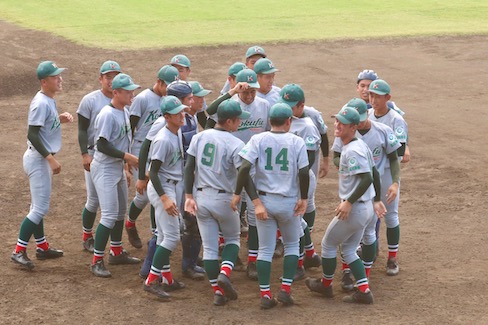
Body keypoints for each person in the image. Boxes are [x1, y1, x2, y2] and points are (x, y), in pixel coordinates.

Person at [305, 106, 386, 304]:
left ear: (353, 127)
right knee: (349, 250)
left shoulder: (353, 150)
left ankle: (326, 285)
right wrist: (375, 200)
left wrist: (348, 202)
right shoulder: (359, 145)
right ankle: (364, 291)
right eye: (336, 121)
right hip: (364, 208)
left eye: (342, 123)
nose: (337, 125)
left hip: (356, 208)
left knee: (328, 244)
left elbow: (367, 178)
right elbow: (374, 173)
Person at [232, 103, 309, 309]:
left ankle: (266, 295)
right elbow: (303, 172)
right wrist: (304, 198)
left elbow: (244, 168)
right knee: (292, 246)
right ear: (288, 121)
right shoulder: (297, 141)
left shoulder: (258, 139)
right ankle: (285, 290)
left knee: (264, 250)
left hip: (264, 202)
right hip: (289, 202)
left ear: (270, 121)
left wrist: (246, 197)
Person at [184, 99, 250, 306]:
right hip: (225, 199)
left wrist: (188, 196)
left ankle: (218, 292)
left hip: (201, 198)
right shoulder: (236, 144)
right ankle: (225, 272)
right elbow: (243, 173)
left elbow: (189, 168)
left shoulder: (200, 137)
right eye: (238, 120)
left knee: (210, 249)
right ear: (229, 121)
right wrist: (239, 194)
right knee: (232, 240)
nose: (240, 123)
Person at [331, 98, 401, 289]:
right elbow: (336, 157)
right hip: (353, 185)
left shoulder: (382, 131)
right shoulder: (343, 131)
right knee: (349, 234)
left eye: (361, 119)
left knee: (372, 231)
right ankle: (347, 272)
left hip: (375, 185)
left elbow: (392, 159)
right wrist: (347, 166)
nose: (359, 123)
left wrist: (394, 183)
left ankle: (368, 273)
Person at [10, 60, 73, 270]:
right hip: (38, 159)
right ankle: (19, 251)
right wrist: (50, 158)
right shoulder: (41, 102)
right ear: (44, 81)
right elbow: (32, 134)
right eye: (55, 77)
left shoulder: (48, 100)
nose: (60, 79)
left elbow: (43, 125)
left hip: (38, 158)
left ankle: (42, 247)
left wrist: (58, 119)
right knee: (39, 208)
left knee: (38, 206)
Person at [89, 73, 141, 278]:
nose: (132, 94)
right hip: (104, 168)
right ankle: (96, 261)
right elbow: (100, 144)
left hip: (117, 167)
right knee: (109, 215)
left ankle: (116, 252)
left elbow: (122, 142)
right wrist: (127, 157)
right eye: (128, 92)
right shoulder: (107, 114)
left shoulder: (124, 111)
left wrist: (125, 166)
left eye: (133, 91)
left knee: (120, 212)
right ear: (116, 92)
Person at [125, 65, 179, 249]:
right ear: (159, 82)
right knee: (145, 195)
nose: (170, 90)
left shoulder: (170, 101)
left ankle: (155, 233)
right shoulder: (142, 99)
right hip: (142, 150)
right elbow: (130, 129)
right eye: (168, 86)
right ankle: (130, 223)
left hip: (162, 149)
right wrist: (129, 160)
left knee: (154, 193)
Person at [143, 96, 188, 300]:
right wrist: (164, 198)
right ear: (167, 116)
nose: (182, 114)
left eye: (183, 111)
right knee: (171, 237)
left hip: (170, 187)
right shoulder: (163, 139)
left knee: (164, 235)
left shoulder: (175, 132)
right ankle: (152, 280)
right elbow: (153, 172)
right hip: (163, 188)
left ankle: (167, 279)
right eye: (178, 113)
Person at [77, 60, 122, 253]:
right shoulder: (90, 100)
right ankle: (87, 235)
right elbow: (81, 129)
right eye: (108, 77)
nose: (111, 80)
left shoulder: (123, 101)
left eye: (115, 76)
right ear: (101, 79)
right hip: (95, 155)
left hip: (115, 158)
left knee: (116, 206)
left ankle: (115, 247)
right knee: (93, 200)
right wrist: (84, 154)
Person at [279, 84, 323, 278]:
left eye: (291, 106)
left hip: (301, 179)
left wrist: (293, 177)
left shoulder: (307, 126)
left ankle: (298, 265)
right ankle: (310, 253)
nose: (287, 109)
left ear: (301, 106)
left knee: (296, 220)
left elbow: (310, 159)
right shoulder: (281, 119)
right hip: (289, 179)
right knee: (298, 220)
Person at [368, 79, 408, 276]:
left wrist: (394, 181)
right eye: (371, 95)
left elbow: (399, 150)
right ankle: (366, 252)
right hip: (367, 176)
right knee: (366, 215)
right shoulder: (367, 115)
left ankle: (392, 258)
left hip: (386, 175)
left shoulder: (395, 120)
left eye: (378, 96)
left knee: (390, 216)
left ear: (388, 98)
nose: (373, 99)